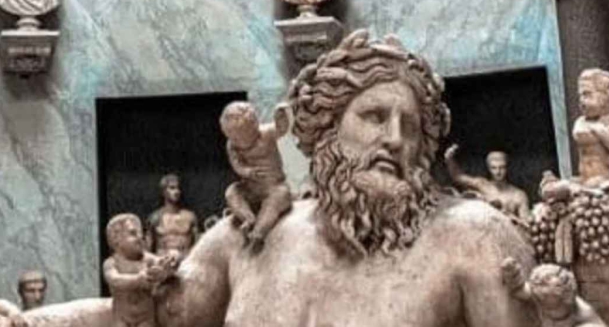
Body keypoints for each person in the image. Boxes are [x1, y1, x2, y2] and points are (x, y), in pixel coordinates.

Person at [152, 30, 543, 327]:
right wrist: (149, 275)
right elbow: (150, 313)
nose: (395, 139)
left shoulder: (474, 237)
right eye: (374, 117)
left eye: (409, 127)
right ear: (329, 128)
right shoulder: (242, 240)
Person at [219, 101, 293, 244]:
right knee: (232, 192)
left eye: (243, 136)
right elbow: (236, 165)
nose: (239, 142)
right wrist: (247, 172)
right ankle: (248, 218)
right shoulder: (232, 145)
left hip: (274, 186)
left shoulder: (266, 133)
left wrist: (281, 117)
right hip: (251, 188)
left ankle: (259, 230)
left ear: (254, 127)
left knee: (280, 197)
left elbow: (281, 129)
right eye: (235, 138)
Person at [105, 214, 179, 327]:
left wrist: (171, 261)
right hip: (122, 318)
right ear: (116, 240)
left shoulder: (147, 259)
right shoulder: (112, 263)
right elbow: (115, 279)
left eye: (140, 233)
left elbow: (163, 263)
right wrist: (138, 279)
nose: (140, 237)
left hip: (145, 318)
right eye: (133, 233)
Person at [572, 69, 609, 186]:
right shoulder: (581, 121)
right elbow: (579, 133)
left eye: (587, 94)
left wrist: (599, 130)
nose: (581, 100)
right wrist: (602, 131)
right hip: (585, 179)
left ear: (605, 96)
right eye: (580, 95)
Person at [500, 260, 605, 326]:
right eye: (537, 282)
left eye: (543, 283)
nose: (537, 286)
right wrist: (514, 276)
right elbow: (521, 290)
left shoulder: (585, 322)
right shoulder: (547, 300)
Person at [443, 146, 530, 220]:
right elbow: (458, 177)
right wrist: (449, 159)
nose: (498, 172)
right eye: (494, 168)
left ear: (507, 168)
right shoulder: (482, 185)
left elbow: (526, 224)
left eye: (502, 167)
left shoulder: (518, 195)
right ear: (489, 169)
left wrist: (510, 217)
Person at [146, 174, 200, 258]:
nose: (176, 191)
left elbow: (199, 245)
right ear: (164, 191)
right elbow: (148, 248)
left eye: (178, 188)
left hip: (186, 260)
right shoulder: (154, 218)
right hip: (162, 260)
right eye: (172, 188)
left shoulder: (190, 217)